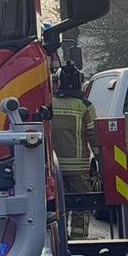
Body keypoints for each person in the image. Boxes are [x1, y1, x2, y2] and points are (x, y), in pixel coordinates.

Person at [51, 62, 98, 240]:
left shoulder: (49, 104)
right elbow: (94, 138)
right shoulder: (85, 106)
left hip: (54, 170)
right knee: (81, 206)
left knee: (57, 207)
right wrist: (102, 163)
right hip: (79, 170)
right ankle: (79, 240)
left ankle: (60, 241)